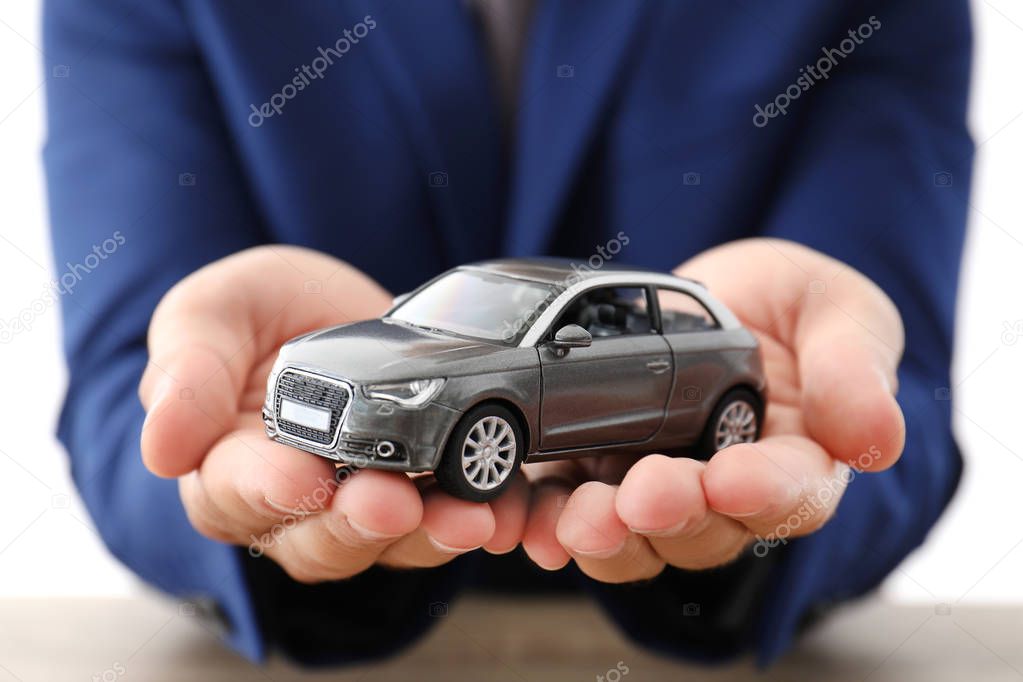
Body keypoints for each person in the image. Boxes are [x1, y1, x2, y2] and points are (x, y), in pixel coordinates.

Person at [43, 0, 973, 667]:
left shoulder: (710, 351)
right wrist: (230, 486)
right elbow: (123, 390)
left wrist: (773, 525)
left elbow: (904, 410)